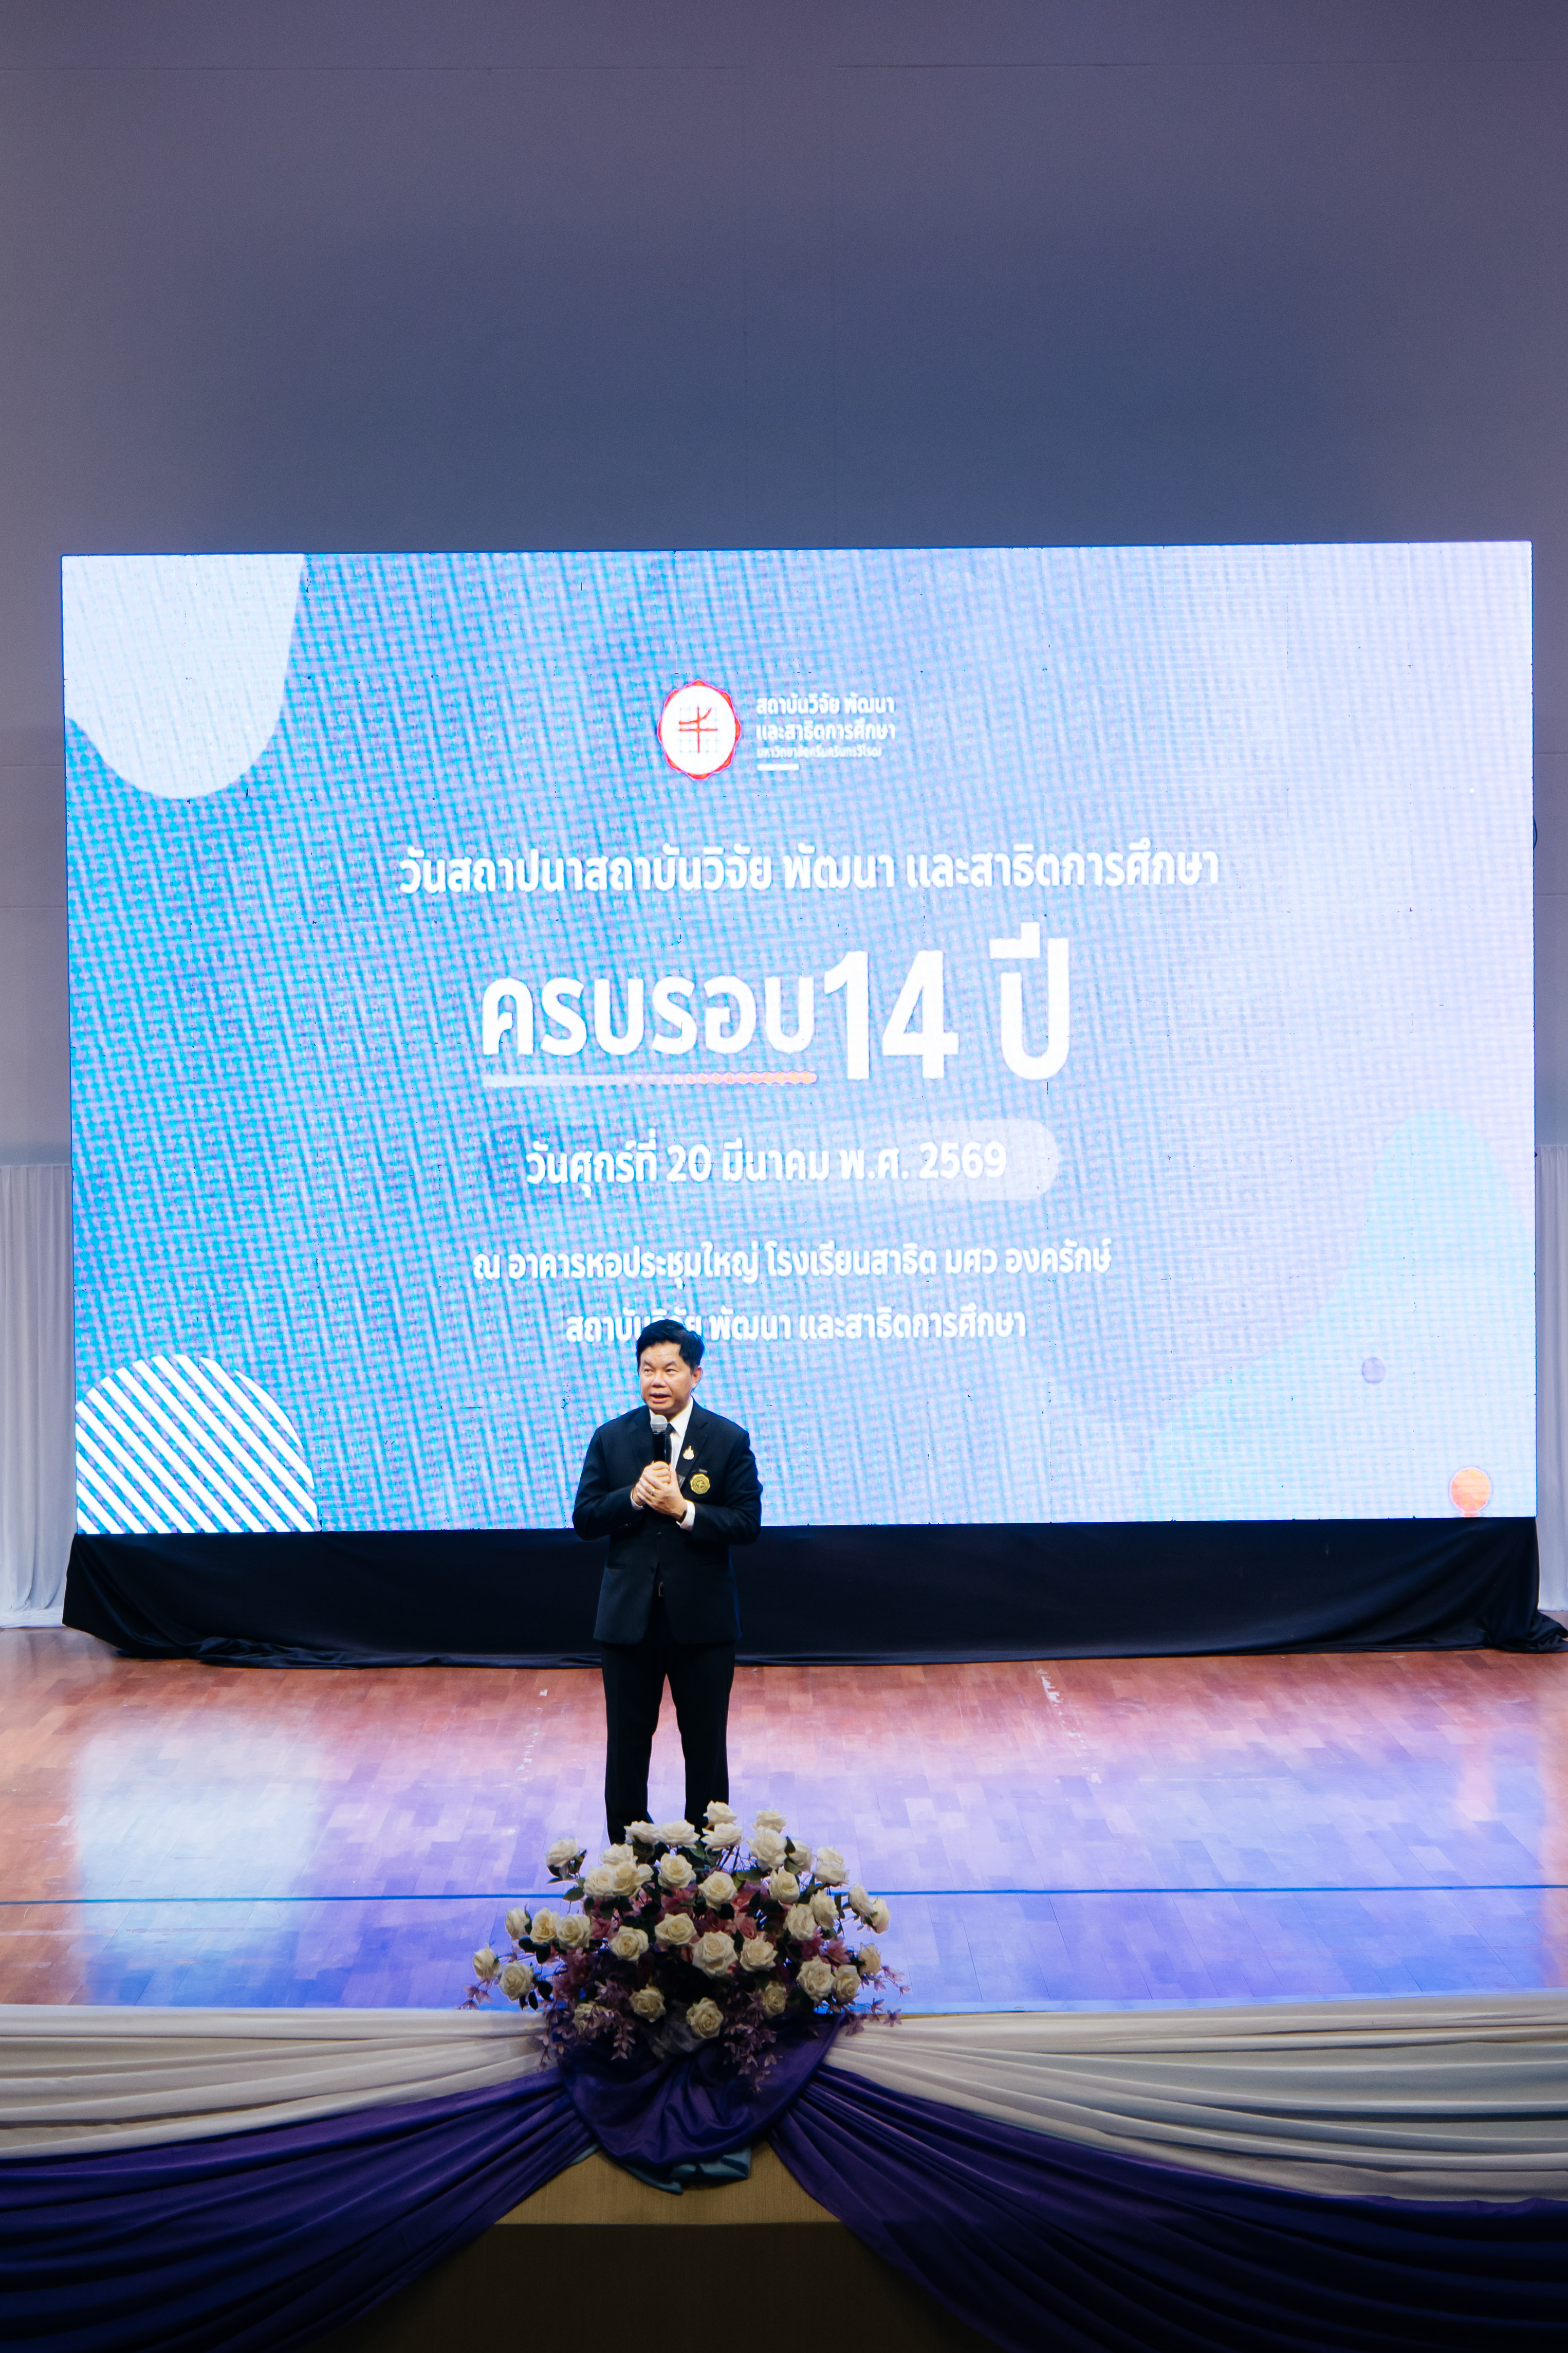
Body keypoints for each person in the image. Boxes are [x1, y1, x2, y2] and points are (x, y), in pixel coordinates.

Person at [572, 1319, 763, 1841]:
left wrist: (685, 1510)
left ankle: (707, 1856)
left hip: (701, 1621)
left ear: (696, 1374)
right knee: (626, 1744)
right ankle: (629, 1859)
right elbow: (585, 1517)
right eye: (646, 1369)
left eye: (670, 1369)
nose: (656, 1380)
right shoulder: (612, 1437)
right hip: (628, 1619)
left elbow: (747, 1523)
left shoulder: (727, 1439)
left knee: (705, 1744)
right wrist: (632, 1498)